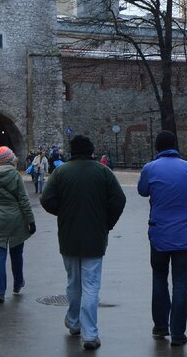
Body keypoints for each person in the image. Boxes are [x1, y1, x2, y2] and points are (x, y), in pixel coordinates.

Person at [40, 134, 127, 351]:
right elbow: (119, 199)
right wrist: (107, 222)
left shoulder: (60, 172)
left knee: (73, 282)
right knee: (90, 285)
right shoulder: (102, 171)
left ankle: (73, 321)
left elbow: (46, 200)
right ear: (90, 151)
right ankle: (89, 334)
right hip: (95, 237)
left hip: (68, 235)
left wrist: (62, 212)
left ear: (72, 151)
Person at [137, 131, 187, 346]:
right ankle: (178, 333)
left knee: (159, 278)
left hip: (159, 233)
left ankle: (160, 326)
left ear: (157, 148)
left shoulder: (150, 168)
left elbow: (142, 191)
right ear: (175, 146)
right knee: (180, 282)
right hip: (185, 232)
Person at [0, 146, 36, 302]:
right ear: (10, 160)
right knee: (16, 254)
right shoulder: (15, 176)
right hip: (16, 219)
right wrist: (30, 221)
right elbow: (23, 200)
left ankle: (0, 292)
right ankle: (18, 283)